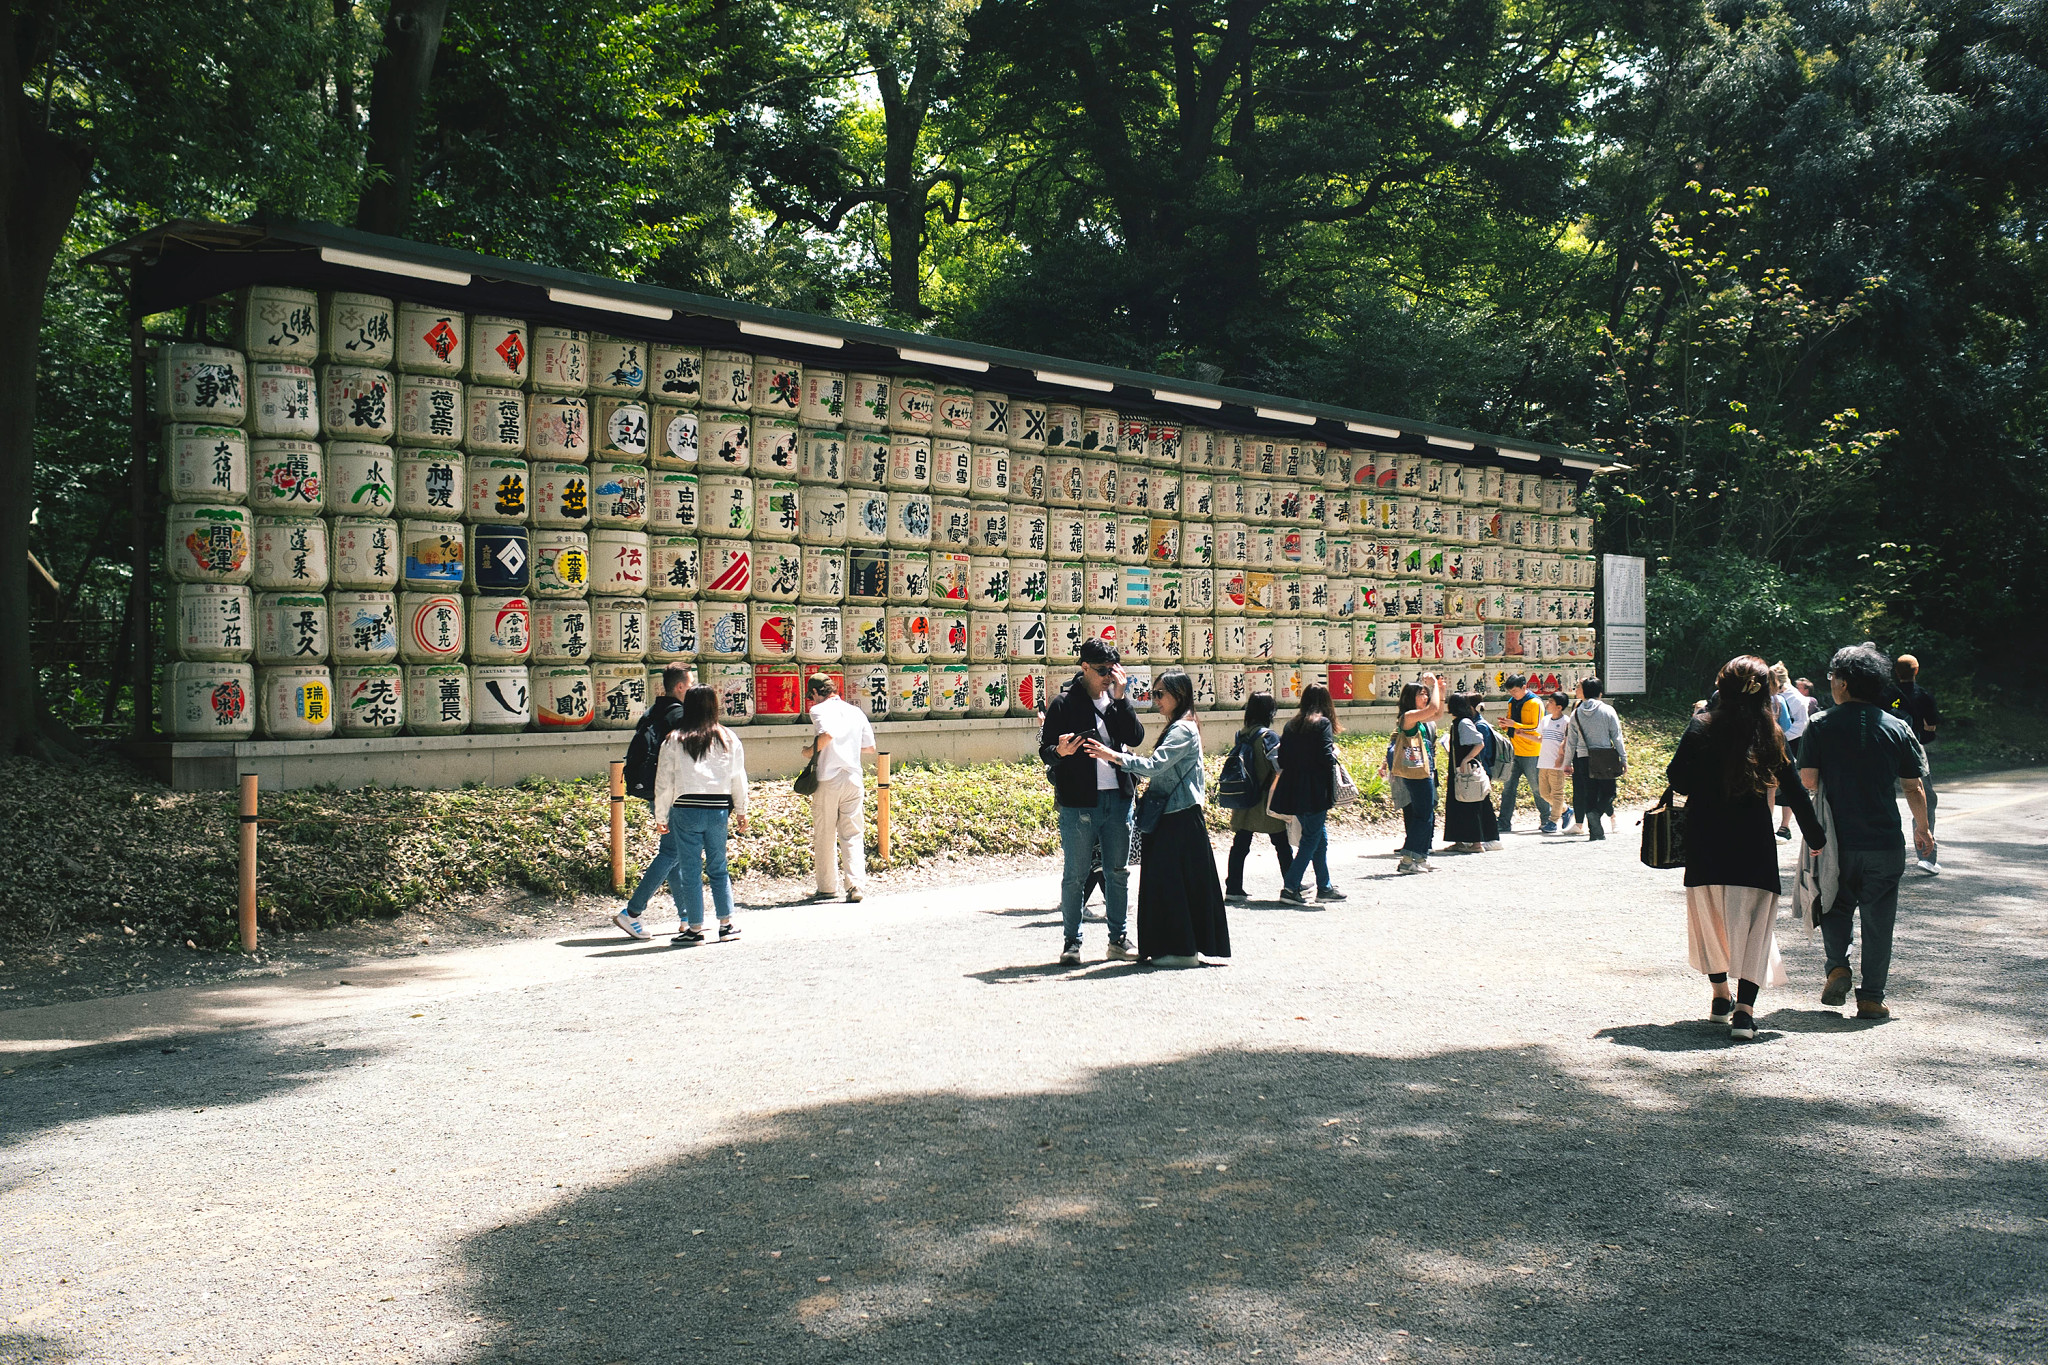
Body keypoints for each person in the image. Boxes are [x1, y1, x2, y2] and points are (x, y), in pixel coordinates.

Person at [1666, 656, 1826, 1039]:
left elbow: (1678, 779)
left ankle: (1720, 995)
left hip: (1705, 842)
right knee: (1756, 928)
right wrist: (1815, 837)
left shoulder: (1702, 725)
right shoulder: (1769, 733)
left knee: (1710, 921)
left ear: (1722, 687)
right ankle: (1744, 1011)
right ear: (1765, 693)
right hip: (1753, 846)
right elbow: (1795, 791)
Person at [1800, 645, 1933, 1019]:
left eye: (1832, 678)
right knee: (1879, 917)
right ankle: (1872, 997)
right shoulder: (1897, 726)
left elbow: (1808, 779)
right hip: (1884, 840)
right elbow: (1913, 787)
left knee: (1834, 904)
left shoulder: (1820, 723)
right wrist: (1922, 830)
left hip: (1836, 839)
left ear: (1842, 682)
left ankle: (1838, 967)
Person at [1086, 671, 1230, 966]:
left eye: (1160, 693)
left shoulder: (1182, 730)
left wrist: (1112, 756)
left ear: (1179, 693)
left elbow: (1154, 766)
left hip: (1177, 817)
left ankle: (1180, 951)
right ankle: (1179, 949)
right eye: (1154, 694)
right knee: (1175, 883)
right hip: (1177, 816)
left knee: (1169, 884)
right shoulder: (1182, 726)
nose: (1156, 700)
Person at [1039, 637, 1144, 964]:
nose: (1108, 678)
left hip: (1119, 798)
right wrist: (1061, 751)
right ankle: (1072, 943)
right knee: (1075, 874)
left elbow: (1135, 737)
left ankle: (1118, 939)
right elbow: (1046, 752)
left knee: (1118, 872)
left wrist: (1122, 698)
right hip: (1079, 802)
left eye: (1113, 672)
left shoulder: (1115, 700)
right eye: (1102, 672)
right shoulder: (1063, 704)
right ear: (1084, 667)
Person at [648, 685, 750, 944]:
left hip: (685, 809)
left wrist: (661, 816)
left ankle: (695, 929)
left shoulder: (674, 739)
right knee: (719, 867)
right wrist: (741, 811)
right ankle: (726, 924)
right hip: (718, 809)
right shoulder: (728, 737)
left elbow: (664, 782)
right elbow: (738, 778)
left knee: (690, 870)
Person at [614, 663, 695, 940]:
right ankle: (632, 912)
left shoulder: (652, 712)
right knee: (672, 853)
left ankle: (686, 917)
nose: (693, 689)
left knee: (673, 853)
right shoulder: (680, 716)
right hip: (673, 791)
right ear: (681, 686)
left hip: (654, 790)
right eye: (691, 684)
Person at [801, 674, 877, 904]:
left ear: (815, 692)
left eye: (811, 696)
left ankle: (827, 887)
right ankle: (855, 885)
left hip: (828, 779)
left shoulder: (819, 710)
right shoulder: (855, 711)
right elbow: (870, 748)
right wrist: (847, 747)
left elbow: (827, 735)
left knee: (825, 833)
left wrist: (808, 751)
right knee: (853, 832)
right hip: (853, 777)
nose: (811, 702)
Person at [1269, 684, 1348, 904]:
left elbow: (1282, 759)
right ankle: (1290, 887)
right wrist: (1333, 753)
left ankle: (1324, 887)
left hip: (1293, 789)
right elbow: (1325, 757)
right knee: (1310, 840)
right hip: (1314, 791)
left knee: (1318, 839)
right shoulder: (1322, 724)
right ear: (1326, 703)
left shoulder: (1291, 725)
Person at [1221, 692, 1293, 903]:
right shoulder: (1268, 736)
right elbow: (1279, 766)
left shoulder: (1241, 734)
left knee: (1241, 843)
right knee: (1281, 843)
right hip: (1265, 798)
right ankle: (1291, 884)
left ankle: (1233, 887)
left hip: (1245, 796)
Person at [1889, 653, 1941, 874]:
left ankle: (1886, 855)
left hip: (1887, 747)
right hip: (1913, 748)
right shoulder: (1924, 695)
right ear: (1916, 671)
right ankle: (1926, 857)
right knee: (1924, 797)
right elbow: (1931, 728)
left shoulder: (1888, 693)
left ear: (1896, 672)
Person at [1389, 673, 1445, 874]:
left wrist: (1440, 689)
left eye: (1426, 694)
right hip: (1415, 772)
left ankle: (1420, 856)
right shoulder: (1409, 717)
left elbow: (1437, 714)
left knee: (1427, 813)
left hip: (1423, 770)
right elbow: (1433, 709)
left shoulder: (1418, 718)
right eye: (1421, 694)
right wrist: (1433, 686)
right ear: (1410, 697)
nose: (1425, 697)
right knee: (1422, 815)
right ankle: (1407, 858)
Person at [1564, 677, 1626, 840]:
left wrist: (1567, 762)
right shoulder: (1608, 711)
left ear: (1584, 692)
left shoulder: (1576, 713)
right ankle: (1595, 813)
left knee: (1590, 793)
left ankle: (1595, 833)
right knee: (1609, 792)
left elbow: (1571, 741)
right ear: (1600, 693)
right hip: (1605, 758)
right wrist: (1623, 758)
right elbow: (1617, 736)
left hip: (1584, 758)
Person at [1442, 692, 1502, 852]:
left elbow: (1479, 743)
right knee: (1457, 804)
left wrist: (1466, 759)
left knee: (1470, 804)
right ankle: (1460, 840)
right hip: (1458, 771)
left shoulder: (1464, 723)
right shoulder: (1458, 723)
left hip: (1467, 771)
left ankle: (1476, 843)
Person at [1494, 674, 1550, 833]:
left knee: (1537, 788)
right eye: (1510, 691)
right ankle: (1504, 822)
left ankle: (1547, 819)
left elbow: (1536, 727)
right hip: (1513, 750)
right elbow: (1513, 724)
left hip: (1532, 751)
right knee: (1508, 788)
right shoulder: (1512, 702)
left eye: (1515, 691)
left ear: (1524, 687)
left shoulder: (1535, 703)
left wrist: (1514, 724)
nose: (1513, 694)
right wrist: (1506, 725)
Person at [1771, 662, 1811, 841]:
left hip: (1792, 742)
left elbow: (1802, 725)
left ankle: (1784, 826)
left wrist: (1782, 738)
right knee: (1771, 786)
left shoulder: (1795, 698)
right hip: (1777, 740)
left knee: (1788, 785)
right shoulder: (1775, 696)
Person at [1537, 692, 1573, 834]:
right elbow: (1541, 739)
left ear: (1559, 707)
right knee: (1544, 793)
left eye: (1550, 702)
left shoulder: (1566, 721)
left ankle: (1553, 822)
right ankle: (1566, 810)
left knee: (1557, 793)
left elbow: (1569, 741)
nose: (1547, 703)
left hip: (1557, 763)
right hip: (1543, 761)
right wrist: (1522, 734)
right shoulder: (1545, 720)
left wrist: (1562, 756)